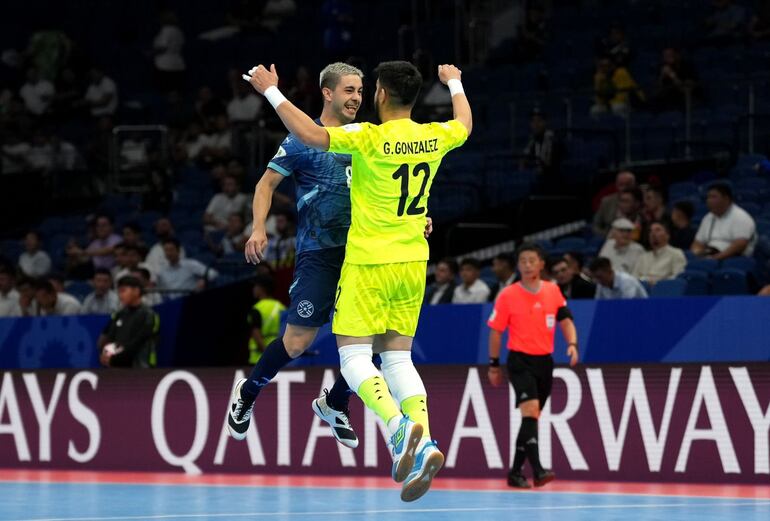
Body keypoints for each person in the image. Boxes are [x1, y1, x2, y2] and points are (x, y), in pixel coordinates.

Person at [241, 60, 471, 501]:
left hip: (367, 264)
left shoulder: (368, 138)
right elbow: (464, 120)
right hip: (413, 263)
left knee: (353, 357)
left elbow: (310, 136)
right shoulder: (436, 135)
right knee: (398, 359)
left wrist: (272, 91)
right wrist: (455, 81)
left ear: (380, 94)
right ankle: (424, 443)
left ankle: (398, 427)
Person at [226, 63, 367, 452]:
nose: (356, 98)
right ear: (327, 92)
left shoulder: (365, 138)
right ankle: (249, 391)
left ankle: (336, 402)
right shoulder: (301, 140)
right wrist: (258, 227)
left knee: (372, 341)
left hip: (361, 253)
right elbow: (265, 184)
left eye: (360, 91)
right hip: (319, 253)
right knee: (297, 342)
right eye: (348, 90)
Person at [487, 243, 578, 488]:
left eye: (531, 260)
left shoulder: (552, 290)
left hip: (544, 362)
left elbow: (566, 319)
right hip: (520, 360)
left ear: (541, 264)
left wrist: (572, 343)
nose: (527, 265)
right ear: (518, 265)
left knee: (532, 417)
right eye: (523, 261)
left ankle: (516, 472)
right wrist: (494, 365)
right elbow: (496, 332)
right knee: (530, 412)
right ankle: (538, 470)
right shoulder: (508, 294)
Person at [98, 276, 159, 368]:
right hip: (117, 369)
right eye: (119, 291)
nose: (120, 295)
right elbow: (109, 338)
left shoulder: (149, 315)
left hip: (141, 369)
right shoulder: (119, 314)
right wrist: (106, 353)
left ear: (136, 291)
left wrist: (115, 358)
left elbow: (137, 343)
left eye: (123, 291)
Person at [692, 182, 757, 259]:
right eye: (708, 197)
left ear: (726, 199)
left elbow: (740, 244)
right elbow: (698, 242)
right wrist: (697, 254)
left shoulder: (741, 217)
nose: (709, 200)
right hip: (710, 255)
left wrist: (717, 257)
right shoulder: (708, 218)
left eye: (713, 197)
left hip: (734, 258)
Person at [247, 275, 287, 364]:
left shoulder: (257, 309)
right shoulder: (281, 307)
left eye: (256, 286)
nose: (254, 289)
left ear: (262, 289)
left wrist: (267, 355)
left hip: (258, 358)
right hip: (279, 356)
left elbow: (256, 334)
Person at [592, 171, 636, 236]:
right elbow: (596, 225)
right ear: (616, 185)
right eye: (621, 185)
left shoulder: (642, 201)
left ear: (634, 185)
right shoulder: (606, 201)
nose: (624, 188)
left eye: (627, 184)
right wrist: (606, 235)